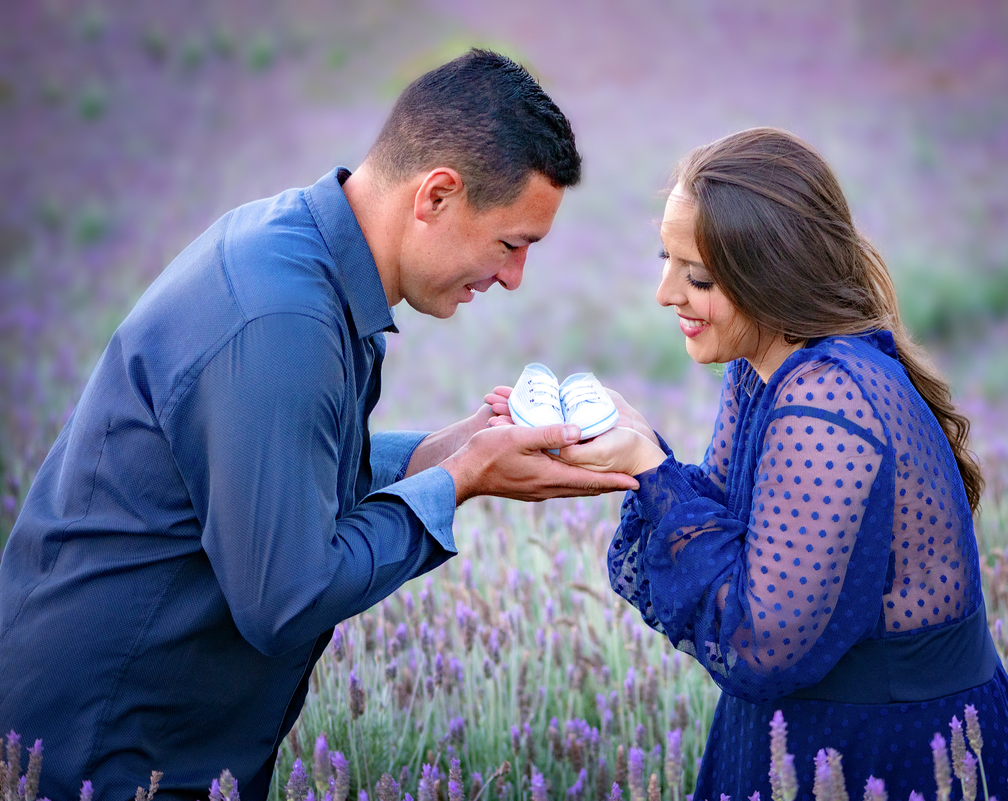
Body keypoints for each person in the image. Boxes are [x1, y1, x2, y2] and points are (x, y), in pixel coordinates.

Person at [0, 49, 636, 801]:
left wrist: (452, 449)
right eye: (511, 243)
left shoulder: (301, 255)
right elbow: (286, 599)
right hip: (98, 752)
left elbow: (298, 475)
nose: (513, 278)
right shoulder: (283, 320)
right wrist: (460, 481)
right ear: (435, 195)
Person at [493, 128, 1008, 799]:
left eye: (697, 276)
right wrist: (638, 446)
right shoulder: (764, 369)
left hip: (888, 750)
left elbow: (760, 642)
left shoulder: (827, 397)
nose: (666, 293)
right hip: (807, 737)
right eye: (667, 260)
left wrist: (651, 468)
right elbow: (737, 536)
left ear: (771, 277)